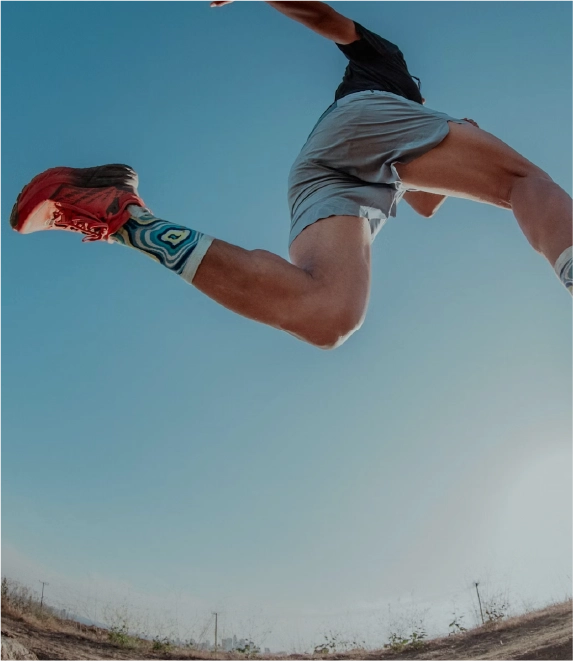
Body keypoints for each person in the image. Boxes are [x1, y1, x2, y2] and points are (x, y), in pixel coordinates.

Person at [10, 0, 573, 349]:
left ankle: (122, 216)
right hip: (362, 124)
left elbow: (425, 202)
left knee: (327, 314)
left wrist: (466, 147)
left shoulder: (414, 144)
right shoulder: (392, 70)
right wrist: (472, 138)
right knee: (522, 182)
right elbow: (327, 19)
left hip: (328, 173)